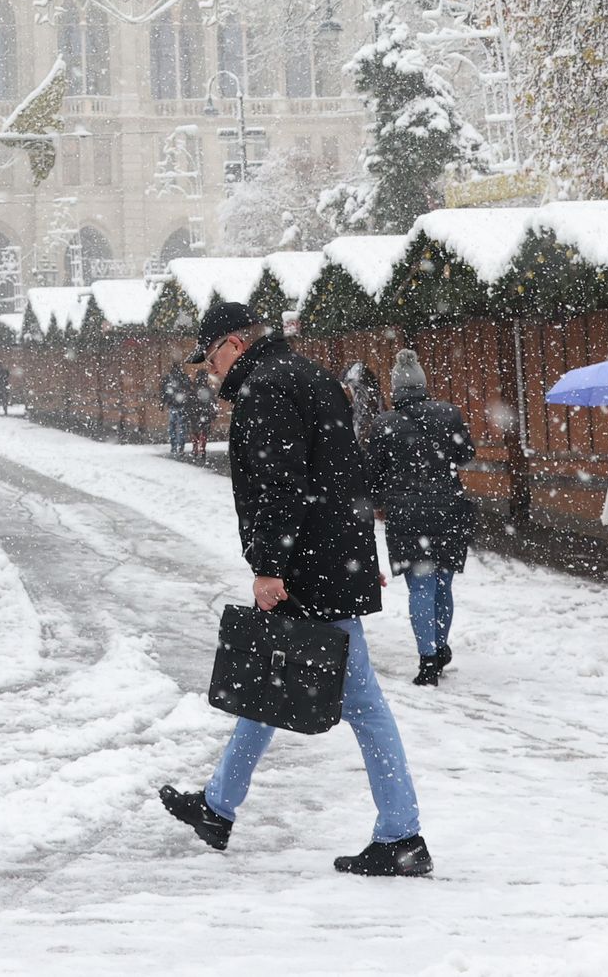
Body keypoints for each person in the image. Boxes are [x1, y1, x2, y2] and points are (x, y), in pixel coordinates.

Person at [157, 303, 431, 879]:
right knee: (268, 677)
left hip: (307, 566)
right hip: (331, 558)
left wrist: (270, 566)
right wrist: (359, 556)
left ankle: (402, 834)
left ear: (233, 343)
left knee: (361, 704)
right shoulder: (315, 376)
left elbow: (282, 485)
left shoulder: (264, 389)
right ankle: (217, 807)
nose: (210, 372)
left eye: (210, 358)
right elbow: (347, 471)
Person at [367, 351, 477, 685]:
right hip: (448, 510)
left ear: (396, 389)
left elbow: (370, 477)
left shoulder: (383, 425)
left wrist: (381, 498)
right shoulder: (449, 414)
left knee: (421, 584)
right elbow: (467, 456)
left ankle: (427, 658)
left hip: (406, 515)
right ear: (423, 385)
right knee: (443, 581)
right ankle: (440, 647)